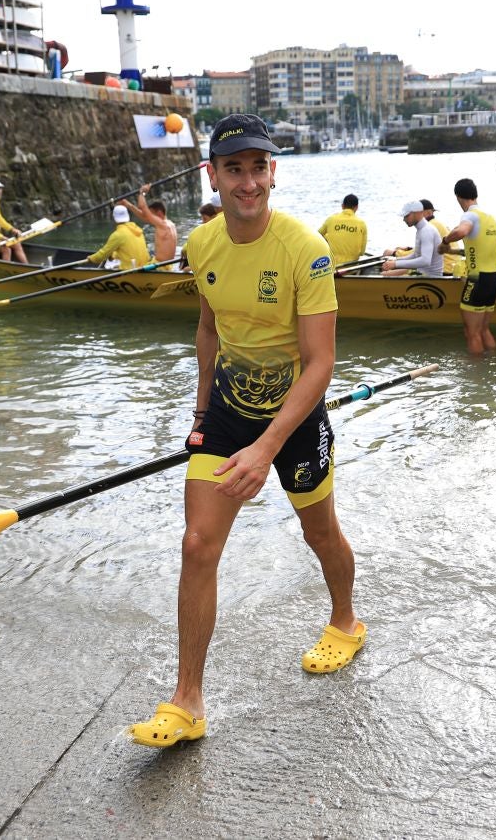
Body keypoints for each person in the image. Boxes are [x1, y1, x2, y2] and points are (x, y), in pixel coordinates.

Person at [128, 113, 363, 749]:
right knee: (197, 544)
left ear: (272, 173)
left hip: (295, 412)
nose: (248, 182)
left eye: (258, 167)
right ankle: (188, 699)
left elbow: (321, 363)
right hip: (230, 410)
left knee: (321, 534)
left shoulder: (305, 249)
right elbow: (209, 331)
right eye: (234, 169)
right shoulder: (202, 246)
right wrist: (202, 413)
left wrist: (267, 448)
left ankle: (345, 622)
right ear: (214, 175)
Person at [437, 178, 496, 356]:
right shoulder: (491, 219)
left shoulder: (469, 215)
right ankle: (493, 364)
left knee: (471, 332)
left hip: (477, 280)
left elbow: (461, 232)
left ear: (459, 197)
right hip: (494, 279)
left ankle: (477, 378)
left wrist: (445, 241)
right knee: (484, 330)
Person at [122, 183, 180, 270]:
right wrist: (128, 205)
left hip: (160, 267)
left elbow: (142, 206)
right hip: (167, 265)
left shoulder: (163, 225)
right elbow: (144, 217)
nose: (150, 217)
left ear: (159, 212)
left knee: (131, 267)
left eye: (152, 214)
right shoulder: (170, 224)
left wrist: (142, 192)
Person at [381, 200, 442, 277]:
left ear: (417, 213)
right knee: (383, 274)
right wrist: (395, 260)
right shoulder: (421, 230)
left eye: (406, 216)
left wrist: (395, 264)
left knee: (383, 276)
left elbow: (425, 261)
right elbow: (416, 255)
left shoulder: (426, 231)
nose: (404, 220)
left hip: (431, 278)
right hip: (422, 274)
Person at [85, 205, 151, 270]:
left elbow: (102, 255)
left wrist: (91, 258)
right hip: (144, 267)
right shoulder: (138, 230)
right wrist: (113, 256)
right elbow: (126, 251)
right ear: (128, 216)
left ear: (114, 218)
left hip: (130, 270)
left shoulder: (118, 235)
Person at [317, 194, 368, 264]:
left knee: (326, 236)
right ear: (356, 207)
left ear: (342, 206)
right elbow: (362, 252)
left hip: (332, 265)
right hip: (352, 266)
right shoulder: (361, 224)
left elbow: (316, 236)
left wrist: (327, 238)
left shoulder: (331, 219)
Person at [422, 198, 462, 276]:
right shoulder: (437, 223)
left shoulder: (430, 226)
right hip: (454, 267)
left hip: (446, 270)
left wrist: (395, 253)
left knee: (409, 268)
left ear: (428, 213)